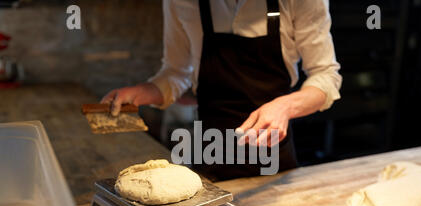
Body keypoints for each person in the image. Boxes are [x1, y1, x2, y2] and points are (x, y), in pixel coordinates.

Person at [101, 0, 342, 181]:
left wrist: (285, 106)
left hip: (273, 164)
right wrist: (142, 92)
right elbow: (176, 71)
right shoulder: (181, 2)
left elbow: (326, 75)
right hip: (210, 157)